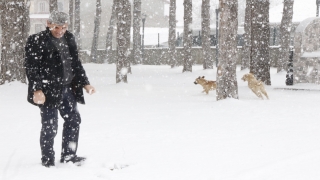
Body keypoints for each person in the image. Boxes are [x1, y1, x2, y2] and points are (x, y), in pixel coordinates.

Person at [24, 11, 96, 168]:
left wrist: (85, 83)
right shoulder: (37, 40)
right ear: (49, 24)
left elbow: (75, 63)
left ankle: (69, 156)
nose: (60, 31)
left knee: (73, 120)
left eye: (63, 27)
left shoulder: (69, 38)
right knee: (50, 127)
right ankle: (48, 161)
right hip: (48, 91)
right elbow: (31, 67)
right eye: (56, 27)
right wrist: (37, 89)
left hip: (67, 89)